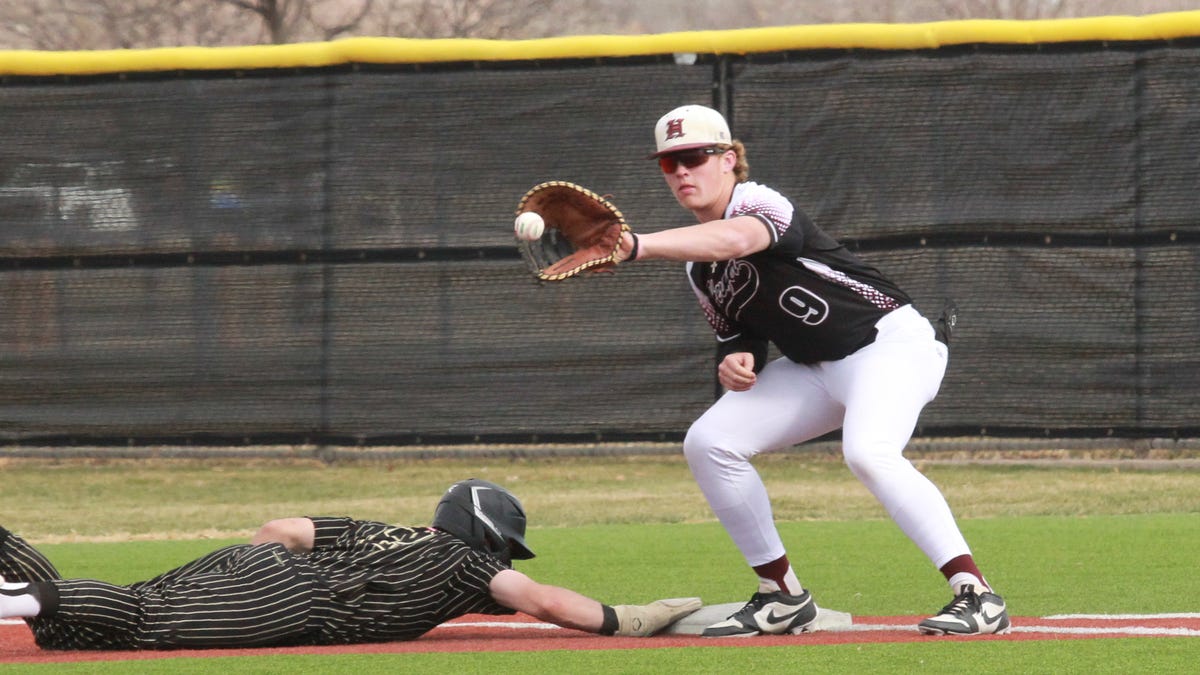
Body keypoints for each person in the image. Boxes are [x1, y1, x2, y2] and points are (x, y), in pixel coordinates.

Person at [615, 104, 1008, 638]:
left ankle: (977, 595)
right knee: (709, 441)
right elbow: (739, 338)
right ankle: (783, 595)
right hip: (817, 369)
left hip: (890, 344)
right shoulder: (697, 268)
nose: (682, 171)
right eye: (669, 163)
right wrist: (736, 361)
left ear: (729, 159)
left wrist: (636, 245)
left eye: (694, 156)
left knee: (869, 453)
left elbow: (736, 240)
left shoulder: (760, 202)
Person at [0, 478, 700, 650]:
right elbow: (544, 600)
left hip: (255, 565)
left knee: (81, 623)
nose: (502, 559)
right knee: (144, 619)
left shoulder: (380, 531)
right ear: (484, 533)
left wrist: (252, 571)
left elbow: (279, 528)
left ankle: (14, 568)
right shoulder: (464, 563)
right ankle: (16, 596)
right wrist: (623, 617)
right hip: (292, 603)